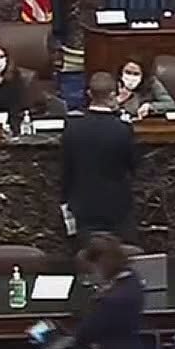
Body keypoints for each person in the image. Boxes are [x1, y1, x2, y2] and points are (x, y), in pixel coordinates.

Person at [61, 72, 138, 243]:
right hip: (116, 205)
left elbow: (66, 170)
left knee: (87, 256)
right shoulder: (122, 129)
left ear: (89, 94)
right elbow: (132, 166)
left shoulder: (72, 128)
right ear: (113, 95)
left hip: (83, 204)